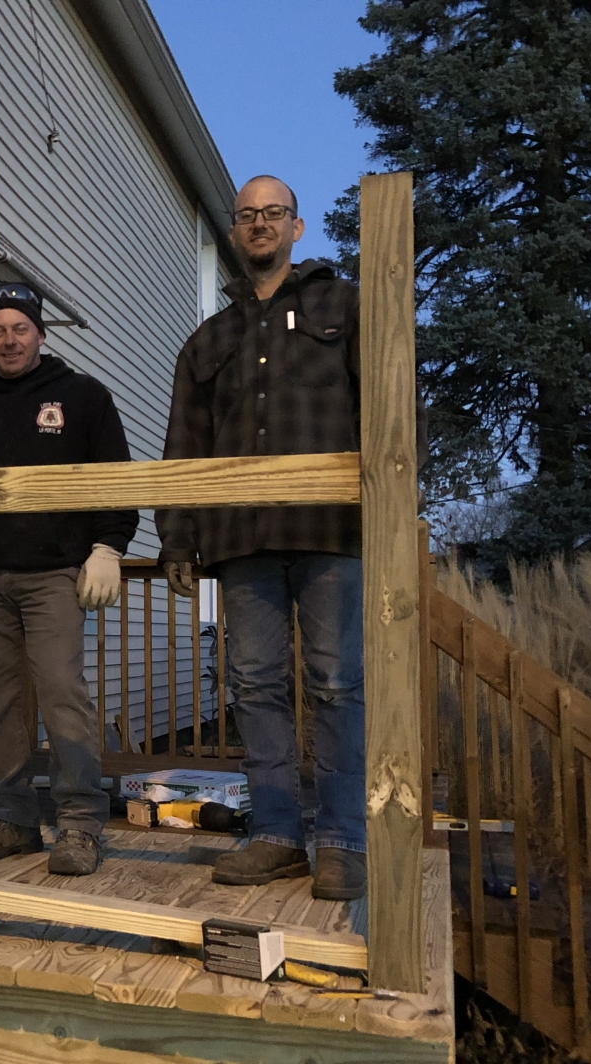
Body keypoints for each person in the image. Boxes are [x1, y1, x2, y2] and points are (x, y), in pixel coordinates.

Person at [158, 174, 369, 900]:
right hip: (239, 535)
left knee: (339, 683)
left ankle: (343, 838)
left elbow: (393, 408)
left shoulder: (346, 306)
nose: (259, 225)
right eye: (247, 216)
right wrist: (177, 537)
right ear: (235, 231)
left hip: (330, 528)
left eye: (273, 214)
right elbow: (183, 443)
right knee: (252, 684)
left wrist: (395, 502)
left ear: (297, 228)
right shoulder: (208, 339)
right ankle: (277, 833)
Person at [0, 283, 137, 876]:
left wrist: (107, 546)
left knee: (63, 695)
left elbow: (114, 480)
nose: (9, 340)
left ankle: (79, 824)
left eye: (20, 328)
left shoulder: (82, 397)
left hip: (54, 574)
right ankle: (12, 815)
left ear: (40, 334)